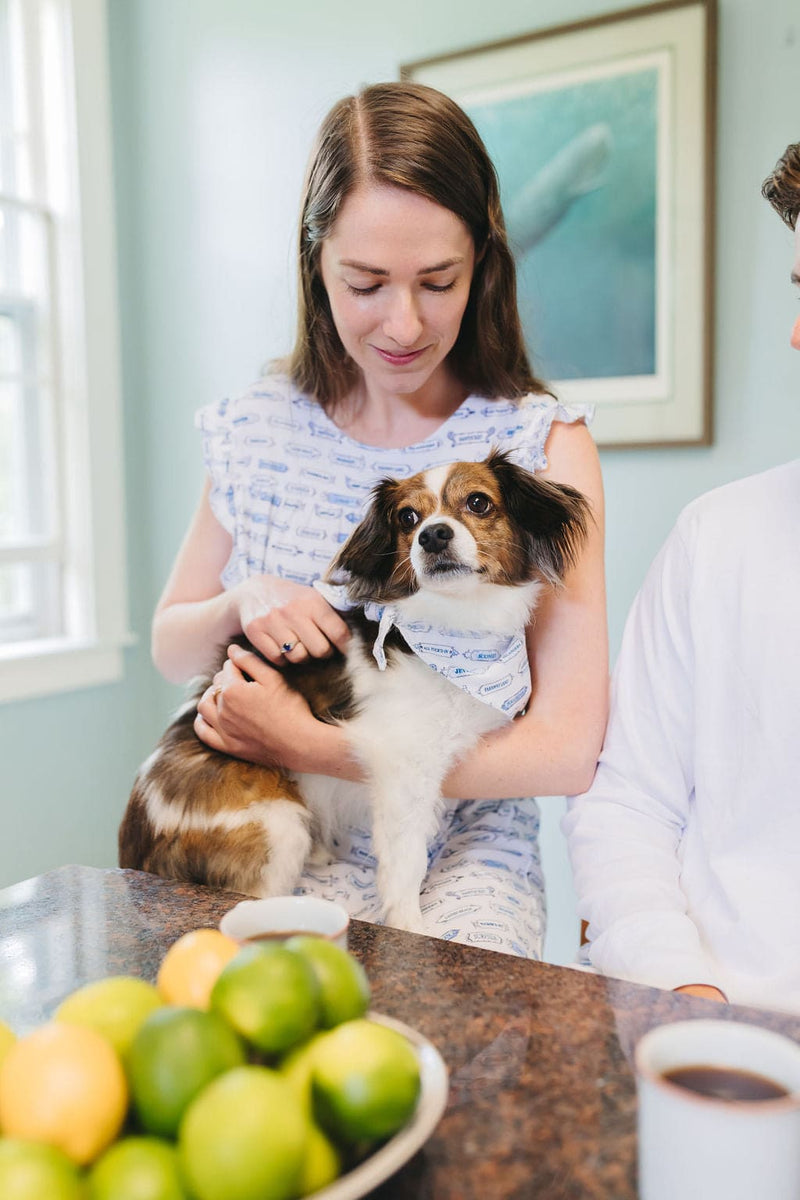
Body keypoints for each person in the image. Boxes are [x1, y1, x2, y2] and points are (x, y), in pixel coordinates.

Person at [151, 82, 608, 958]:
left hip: (460, 862)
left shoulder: (538, 443)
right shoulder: (257, 430)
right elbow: (175, 648)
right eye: (366, 284)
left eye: (439, 282)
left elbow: (567, 750)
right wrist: (243, 600)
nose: (404, 324)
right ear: (315, 264)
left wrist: (320, 745)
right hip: (271, 832)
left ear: (485, 264)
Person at [564, 141, 800, 1009]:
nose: (795, 331)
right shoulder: (716, 540)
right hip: (707, 1039)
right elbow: (625, 800)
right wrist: (679, 986)